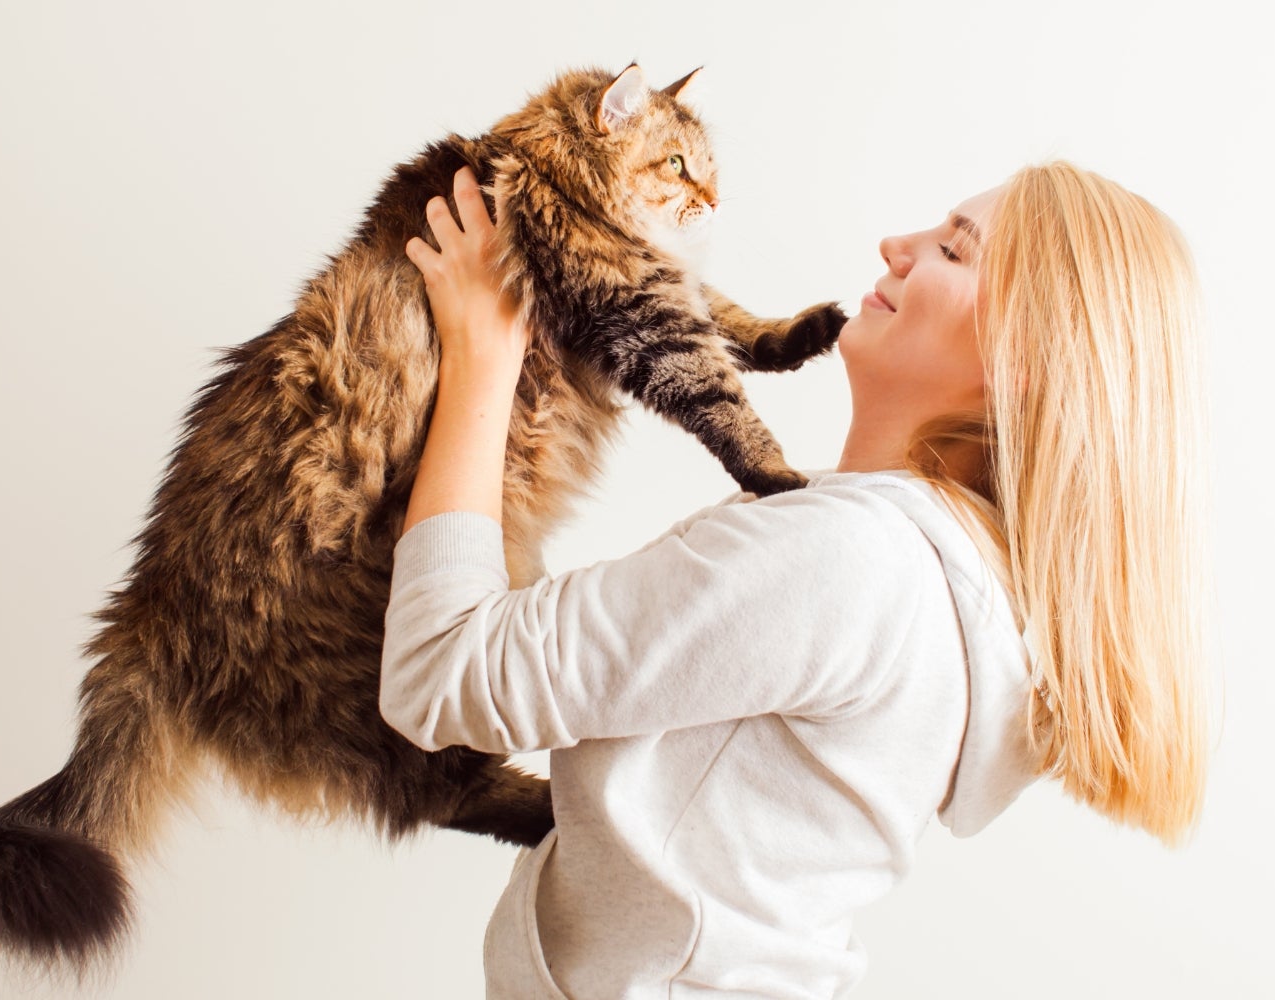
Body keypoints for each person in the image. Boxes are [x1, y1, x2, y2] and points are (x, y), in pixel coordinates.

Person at [384, 161, 1214, 999]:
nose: (897, 246)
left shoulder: (850, 562)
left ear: (1023, 357)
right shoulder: (941, 581)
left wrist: (483, 357)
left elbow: (441, 672)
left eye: (954, 253)